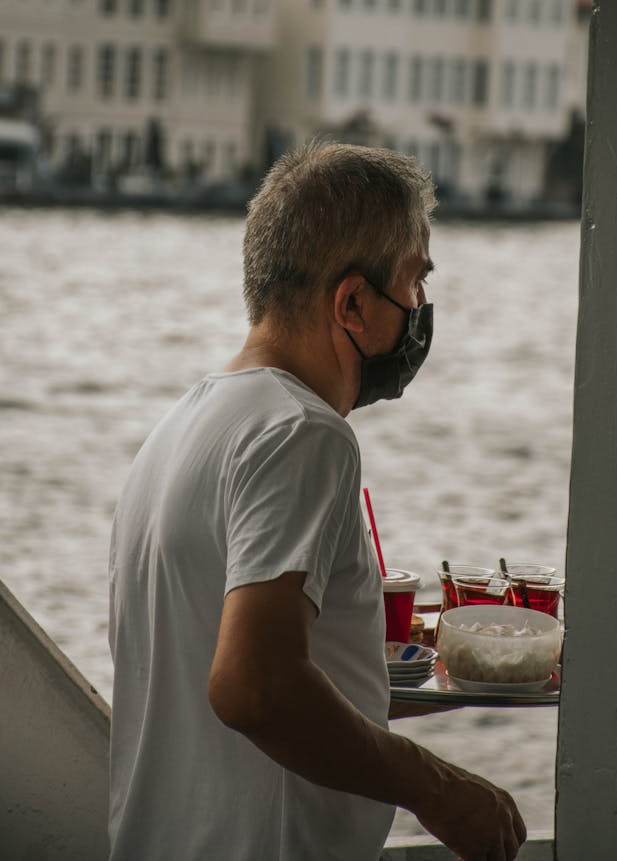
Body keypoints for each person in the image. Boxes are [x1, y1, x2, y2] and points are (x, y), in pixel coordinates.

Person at [108, 141, 526, 861]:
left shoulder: (183, 425)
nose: (422, 309)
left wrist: (423, 664)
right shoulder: (303, 433)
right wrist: (439, 788)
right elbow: (255, 686)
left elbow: (262, 664)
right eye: (415, 281)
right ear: (354, 302)